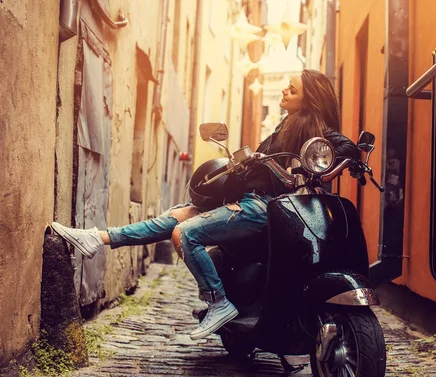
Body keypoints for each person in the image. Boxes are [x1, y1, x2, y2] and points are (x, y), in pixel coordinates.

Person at [52, 69, 360, 340]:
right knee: (173, 218)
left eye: (292, 89)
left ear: (309, 99)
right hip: (251, 200)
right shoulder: (284, 127)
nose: (284, 90)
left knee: (186, 233)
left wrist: (349, 157)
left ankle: (218, 302)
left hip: (270, 207)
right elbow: (260, 161)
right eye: (286, 86)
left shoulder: (318, 133)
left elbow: (345, 147)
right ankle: (96, 238)